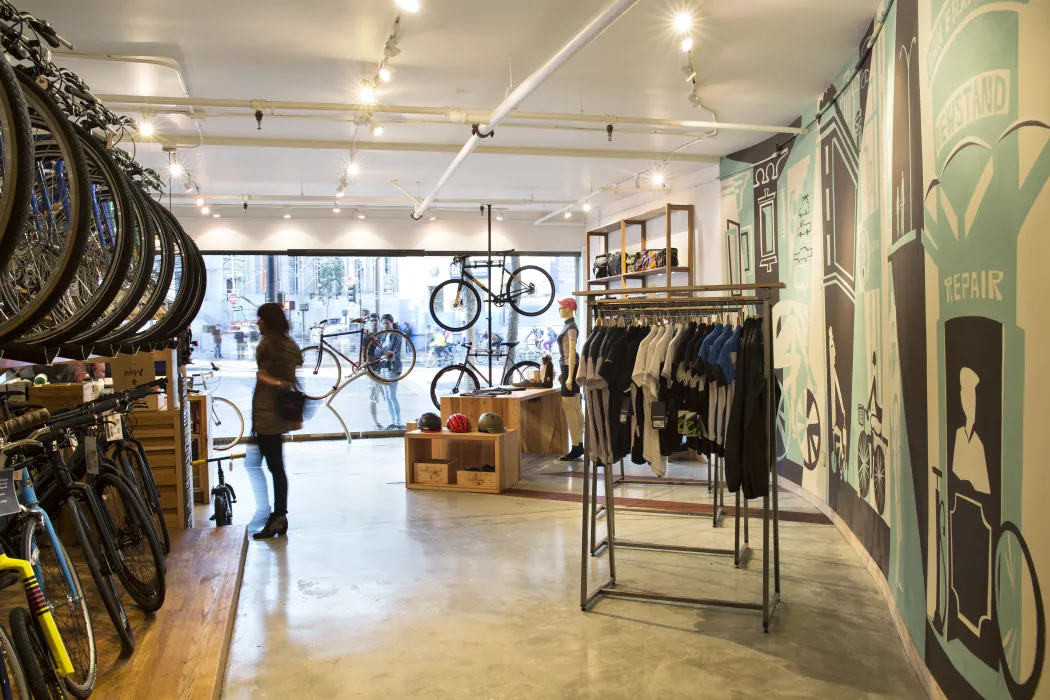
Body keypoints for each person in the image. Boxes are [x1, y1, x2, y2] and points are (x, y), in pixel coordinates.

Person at [251, 303, 304, 540]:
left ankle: (276, 515)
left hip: (269, 415)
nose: (257, 323)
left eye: (260, 319)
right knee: (267, 466)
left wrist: (268, 380)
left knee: (271, 468)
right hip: (266, 414)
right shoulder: (283, 343)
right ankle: (274, 514)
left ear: (269, 321)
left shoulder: (273, 346)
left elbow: (285, 380)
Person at [379, 313, 405, 429]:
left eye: (387, 323)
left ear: (392, 323)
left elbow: (390, 350)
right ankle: (393, 421)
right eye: (383, 323)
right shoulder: (383, 336)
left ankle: (398, 422)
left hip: (393, 366)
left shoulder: (396, 335)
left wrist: (382, 351)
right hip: (384, 366)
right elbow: (377, 351)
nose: (385, 325)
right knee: (387, 397)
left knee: (392, 396)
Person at [363, 314, 384, 430]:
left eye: (376, 320)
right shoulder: (367, 336)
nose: (374, 323)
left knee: (388, 396)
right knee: (373, 396)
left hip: (383, 368)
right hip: (372, 369)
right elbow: (363, 353)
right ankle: (375, 422)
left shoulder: (382, 335)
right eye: (372, 321)